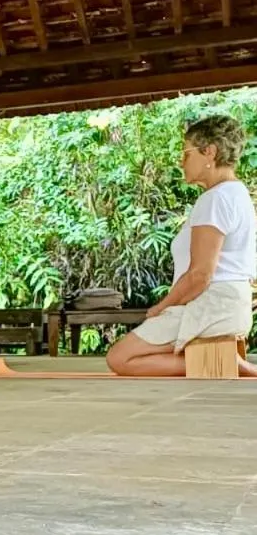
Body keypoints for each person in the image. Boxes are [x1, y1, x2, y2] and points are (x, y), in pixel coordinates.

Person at [107, 116, 256, 377]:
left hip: (211, 307)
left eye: (186, 153)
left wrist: (161, 307)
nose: (181, 161)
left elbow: (200, 275)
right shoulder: (236, 193)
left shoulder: (216, 199)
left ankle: (224, 364)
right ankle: (222, 361)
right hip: (227, 305)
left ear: (209, 152)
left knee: (120, 358)